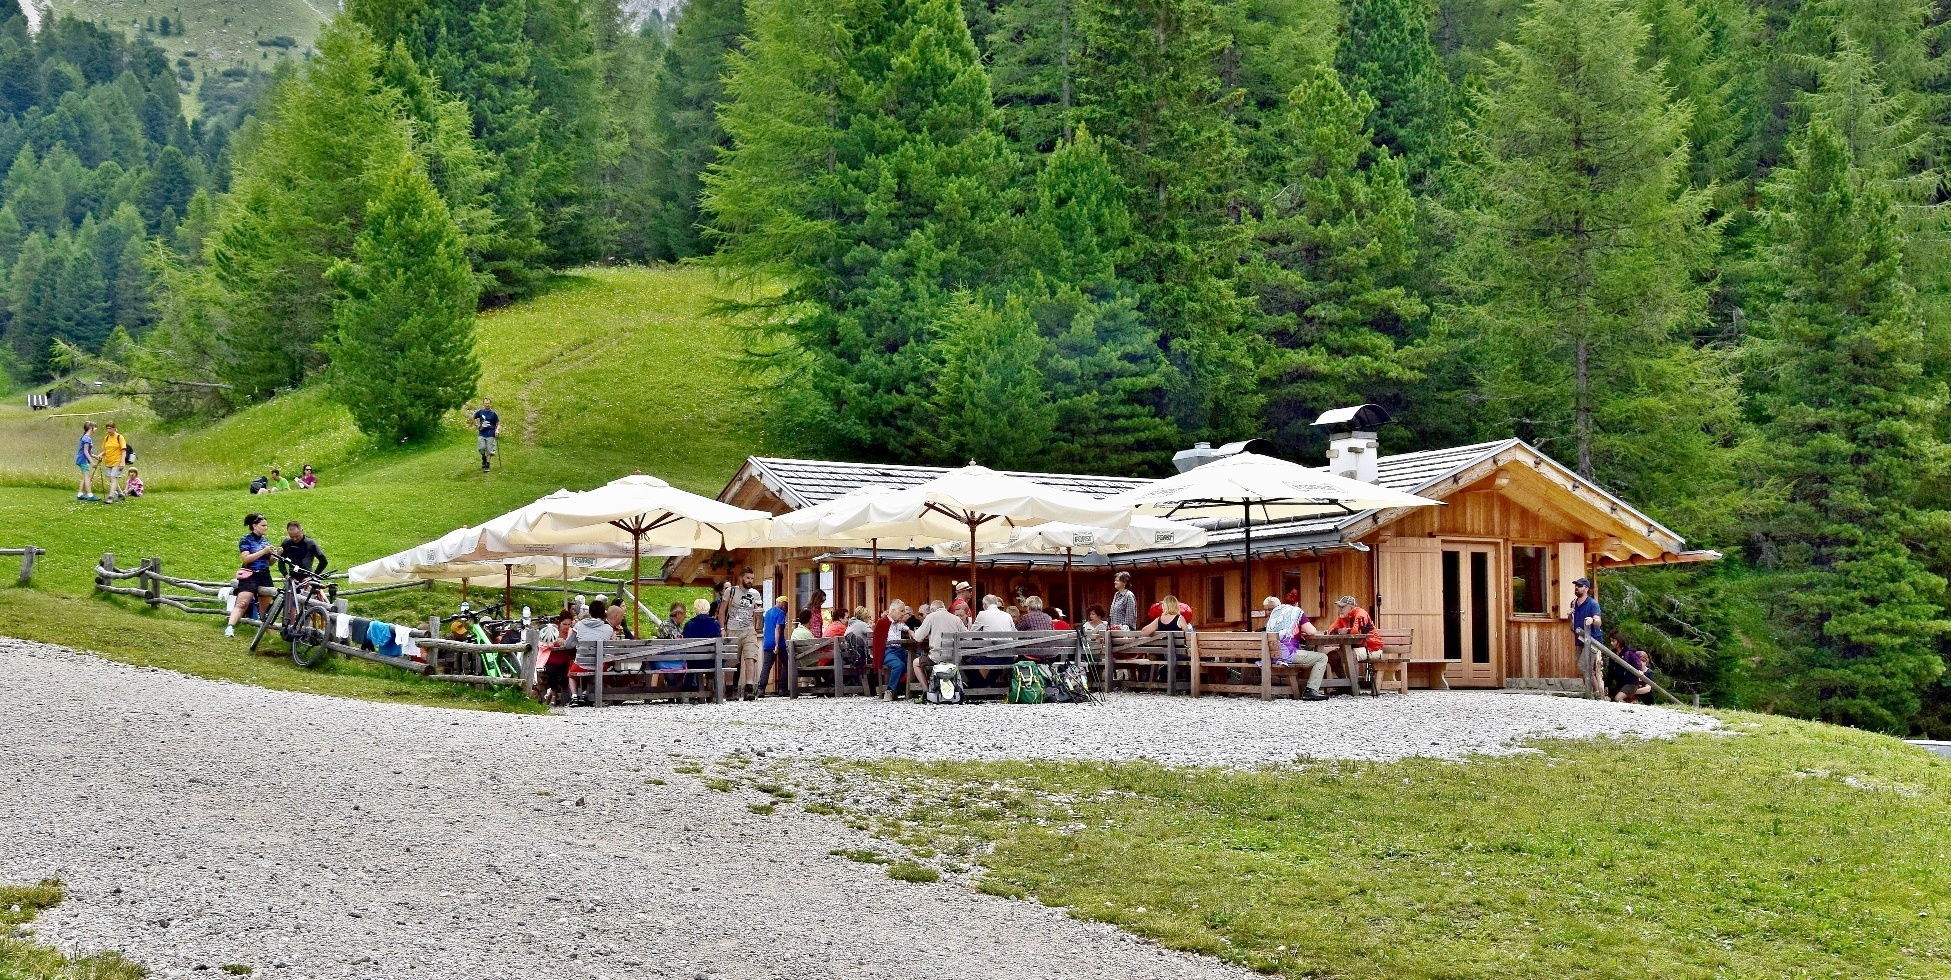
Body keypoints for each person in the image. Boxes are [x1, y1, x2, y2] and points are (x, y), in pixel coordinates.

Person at [224, 514, 276, 637]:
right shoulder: (245, 539)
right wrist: (263, 551)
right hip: (250, 575)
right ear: (254, 526)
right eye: (263, 525)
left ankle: (270, 635)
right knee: (242, 603)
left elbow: (269, 563)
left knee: (266, 609)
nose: (265, 528)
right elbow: (246, 558)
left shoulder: (265, 541)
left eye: (266, 525)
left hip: (264, 575)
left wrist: (275, 555)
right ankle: (230, 627)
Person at [720, 568, 764, 701]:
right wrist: (722, 628)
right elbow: (722, 611)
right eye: (747, 578)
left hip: (749, 629)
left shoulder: (755, 593)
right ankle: (729, 688)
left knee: (750, 657)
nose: (750, 581)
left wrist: (760, 616)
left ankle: (749, 688)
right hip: (732, 629)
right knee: (731, 661)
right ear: (741, 578)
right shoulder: (731, 591)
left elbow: (759, 612)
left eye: (752, 578)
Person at [562, 598, 615, 705]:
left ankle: (574, 696)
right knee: (596, 664)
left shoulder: (579, 625)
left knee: (572, 670)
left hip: (581, 665)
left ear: (590, 612)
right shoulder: (608, 629)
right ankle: (585, 693)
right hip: (600, 665)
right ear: (603, 613)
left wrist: (579, 644)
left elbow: (568, 645)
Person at [912, 598, 967, 691]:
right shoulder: (956, 619)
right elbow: (967, 637)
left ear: (932, 610)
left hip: (937, 658)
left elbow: (918, 637)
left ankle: (927, 690)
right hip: (955, 658)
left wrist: (911, 632)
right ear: (944, 608)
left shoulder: (931, 616)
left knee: (916, 663)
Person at [1570, 577, 1605, 698]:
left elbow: (1599, 621)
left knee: (1584, 667)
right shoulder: (1574, 603)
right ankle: (1592, 694)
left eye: (1579, 586)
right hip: (1580, 639)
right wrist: (1570, 615)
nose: (1576, 587)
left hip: (1593, 639)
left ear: (1586, 588)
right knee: (1585, 669)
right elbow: (1573, 622)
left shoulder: (1592, 603)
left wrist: (1592, 620)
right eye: (1576, 585)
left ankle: (1595, 695)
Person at [875, 600, 913, 701]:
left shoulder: (898, 623)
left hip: (899, 650)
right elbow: (879, 642)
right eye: (901, 611)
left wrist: (909, 630)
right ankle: (890, 690)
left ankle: (911, 690)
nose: (903, 614)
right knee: (899, 665)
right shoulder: (883, 622)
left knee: (914, 661)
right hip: (887, 651)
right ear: (893, 610)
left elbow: (904, 628)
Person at [537, 610, 576, 707]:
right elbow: (541, 645)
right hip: (551, 659)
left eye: (569, 624)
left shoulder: (571, 632)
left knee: (567, 672)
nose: (567, 627)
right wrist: (553, 642)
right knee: (552, 671)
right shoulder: (553, 631)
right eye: (564, 624)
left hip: (565, 659)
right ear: (559, 623)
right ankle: (554, 694)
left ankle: (566, 697)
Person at [759, 595, 789, 695]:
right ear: (782, 603)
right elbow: (778, 628)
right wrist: (776, 644)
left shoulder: (768, 612)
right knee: (786, 664)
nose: (785, 606)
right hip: (778, 643)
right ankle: (782, 688)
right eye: (785, 603)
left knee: (766, 665)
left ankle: (761, 689)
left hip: (767, 642)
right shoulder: (781, 613)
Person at [1609, 634, 1653, 703]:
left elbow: (1637, 666)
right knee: (1616, 699)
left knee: (1618, 698)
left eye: (1613, 641)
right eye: (1610, 641)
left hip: (1631, 682)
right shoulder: (1612, 653)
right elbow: (1610, 671)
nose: (1611, 643)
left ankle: (1630, 711)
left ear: (1619, 641)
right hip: (1621, 683)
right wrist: (1607, 685)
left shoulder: (1629, 653)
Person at [99, 420, 129, 501]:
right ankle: (121, 494)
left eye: (110, 428)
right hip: (108, 462)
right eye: (107, 429)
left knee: (113, 478)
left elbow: (123, 450)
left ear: (114, 428)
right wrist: (100, 455)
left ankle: (111, 496)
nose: (109, 430)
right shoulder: (106, 438)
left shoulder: (120, 437)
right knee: (112, 479)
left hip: (117, 461)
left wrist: (122, 462)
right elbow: (106, 450)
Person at [471, 398, 499, 471]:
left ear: (490, 404)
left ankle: (487, 464)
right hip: (482, 433)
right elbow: (473, 417)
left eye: (488, 403)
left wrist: (497, 430)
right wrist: (477, 426)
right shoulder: (480, 412)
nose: (487, 405)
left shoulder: (493, 413)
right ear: (483, 404)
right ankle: (483, 458)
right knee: (481, 448)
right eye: (485, 403)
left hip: (491, 433)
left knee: (489, 450)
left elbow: (497, 423)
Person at [74, 421, 99, 501]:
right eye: (94, 427)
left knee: (85, 477)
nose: (95, 429)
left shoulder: (85, 437)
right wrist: (92, 462)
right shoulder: (87, 438)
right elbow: (85, 451)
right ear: (91, 428)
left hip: (82, 459)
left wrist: (96, 457)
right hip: (83, 459)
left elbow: (88, 452)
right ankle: (90, 495)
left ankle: (80, 494)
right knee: (87, 477)